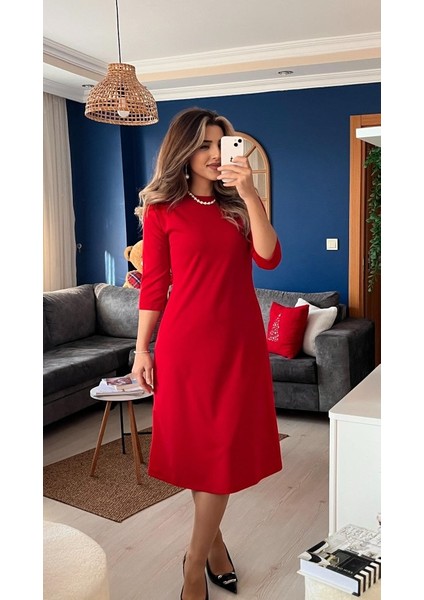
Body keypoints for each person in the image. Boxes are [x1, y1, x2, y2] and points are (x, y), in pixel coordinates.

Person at [132, 107, 283, 600]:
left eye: (222, 144)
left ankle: (192, 564)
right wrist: (142, 349)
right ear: (184, 151)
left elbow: (269, 257)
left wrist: (251, 194)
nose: (216, 154)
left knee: (222, 451)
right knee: (201, 452)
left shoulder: (238, 207)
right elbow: (154, 284)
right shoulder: (162, 211)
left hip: (238, 344)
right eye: (204, 145)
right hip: (185, 345)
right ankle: (210, 551)